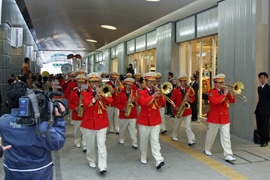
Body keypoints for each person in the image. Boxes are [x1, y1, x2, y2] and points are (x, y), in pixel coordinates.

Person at [0, 81, 66, 179]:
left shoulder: (3, 121)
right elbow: (57, 143)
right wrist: (59, 119)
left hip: (12, 172)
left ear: (8, 102)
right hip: (39, 173)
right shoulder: (41, 126)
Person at [81, 72, 113, 174]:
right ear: (89, 83)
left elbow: (110, 101)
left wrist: (102, 95)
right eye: (92, 82)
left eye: (97, 82)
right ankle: (91, 159)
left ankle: (102, 166)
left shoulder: (105, 90)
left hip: (101, 122)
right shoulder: (85, 92)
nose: (95, 84)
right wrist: (95, 99)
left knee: (101, 144)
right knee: (90, 145)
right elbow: (86, 104)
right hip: (89, 123)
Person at [137, 72, 166, 169]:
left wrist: (161, 94)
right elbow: (143, 102)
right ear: (145, 81)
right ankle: (143, 156)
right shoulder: (141, 91)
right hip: (144, 120)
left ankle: (158, 159)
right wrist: (153, 96)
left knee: (155, 141)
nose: (153, 83)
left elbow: (162, 103)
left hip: (155, 120)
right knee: (144, 141)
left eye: (153, 81)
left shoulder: (156, 91)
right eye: (150, 81)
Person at [204, 74, 236, 161]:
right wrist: (224, 94)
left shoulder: (224, 92)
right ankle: (207, 149)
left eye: (223, 82)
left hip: (225, 117)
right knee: (211, 135)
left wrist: (229, 93)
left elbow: (233, 100)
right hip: (214, 118)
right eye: (220, 82)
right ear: (215, 83)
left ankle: (228, 154)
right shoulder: (211, 91)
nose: (222, 84)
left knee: (226, 137)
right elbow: (215, 101)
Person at [171, 74, 196, 145]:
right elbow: (172, 101)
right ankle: (174, 135)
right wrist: (175, 107)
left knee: (188, 126)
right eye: (183, 81)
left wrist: (190, 100)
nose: (184, 82)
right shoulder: (175, 90)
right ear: (179, 81)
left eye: (185, 80)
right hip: (179, 110)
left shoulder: (189, 89)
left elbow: (193, 98)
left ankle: (191, 139)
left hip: (187, 111)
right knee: (176, 125)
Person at [116, 78, 138, 149]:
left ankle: (134, 142)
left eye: (130, 85)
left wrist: (134, 101)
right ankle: (121, 138)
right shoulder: (120, 94)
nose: (129, 86)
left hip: (132, 115)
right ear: (125, 85)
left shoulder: (134, 94)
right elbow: (117, 104)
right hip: (123, 115)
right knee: (122, 129)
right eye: (128, 85)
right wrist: (123, 108)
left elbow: (139, 102)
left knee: (133, 130)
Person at [68, 75, 87, 152]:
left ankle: (85, 144)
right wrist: (74, 108)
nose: (81, 84)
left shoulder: (86, 92)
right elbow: (69, 103)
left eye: (83, 82)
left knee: (85, 130)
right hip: (76, 114)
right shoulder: (73, 92)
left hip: (85, 114)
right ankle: (77, 141)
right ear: (77, 83)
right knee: (77, 130)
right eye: (79, 82)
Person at [254, 72, 270, 147]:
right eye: (261, 78)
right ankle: (261, 139)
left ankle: (265, 140)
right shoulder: (259, 88)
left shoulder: (268, 88)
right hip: (259, 109)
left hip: (266, 110)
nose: (262, 79)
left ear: (267, 79)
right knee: (259, 125)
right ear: (259, 79)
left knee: (265, 125)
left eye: (264, 78)